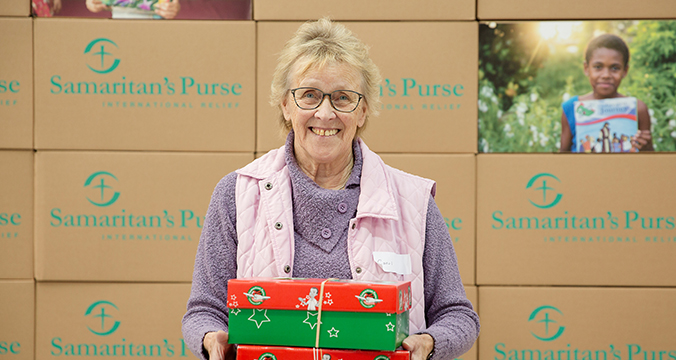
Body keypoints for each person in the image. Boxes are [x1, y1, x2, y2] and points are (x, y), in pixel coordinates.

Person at [181, 18, 479, 360]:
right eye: (309, 95)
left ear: (363, 110)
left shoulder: (413, 201)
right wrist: (209, 336)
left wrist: (428, 343)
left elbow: (458, 316)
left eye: (342, 98)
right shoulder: (236, 194)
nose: (325, 113)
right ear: (286, 105)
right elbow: (203, 310)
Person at [560, 34, 653, 152]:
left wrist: (646, 146)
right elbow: (562, 158)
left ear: (625, 71)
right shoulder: (571, 108)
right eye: (598, 67)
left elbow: (650, 161)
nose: (606, 75)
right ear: (586, 68)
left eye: (615, 68)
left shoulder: (638, 109)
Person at [85, 0, 179, 19]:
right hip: (118, 24)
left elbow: (173, 5)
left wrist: (174, 7)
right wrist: (92, 3)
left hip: (155, 26)